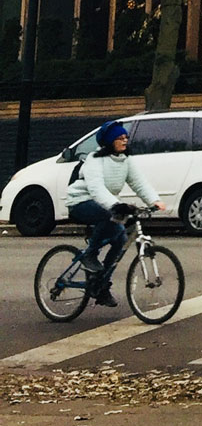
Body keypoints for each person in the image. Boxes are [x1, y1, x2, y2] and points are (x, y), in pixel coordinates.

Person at [63, 121, 165, 308]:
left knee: (120, 240)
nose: (124, 140)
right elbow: (96, 189)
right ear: (110, 141)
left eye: (126, 137)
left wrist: (154, 200)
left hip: (106, 203)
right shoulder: (95, 159)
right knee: (106, 216)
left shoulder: (125, 160)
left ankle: (101, 286)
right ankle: (90, 255)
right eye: (120, 138)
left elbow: (139, 183)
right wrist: (117, 205)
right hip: (80, 202)